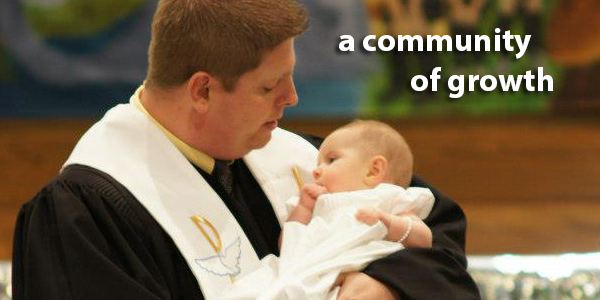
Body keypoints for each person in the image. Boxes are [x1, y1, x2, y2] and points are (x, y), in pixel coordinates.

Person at [12, 0, 480, 299]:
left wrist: (385, 285)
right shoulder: (87, 215)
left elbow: (438, 236)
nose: (292, 98)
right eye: (270, 86)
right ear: (202, 91)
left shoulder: (302, 159)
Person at [223, 120, 436, 299]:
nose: (316, 170)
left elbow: (423, 238)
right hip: (300, 269)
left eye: (331, 160)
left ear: (374, 170)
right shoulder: (321, 204)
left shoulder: (389, 200)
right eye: (319, 162)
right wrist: (303, 209)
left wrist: (388, 222)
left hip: (337, 279)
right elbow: (289, 246)